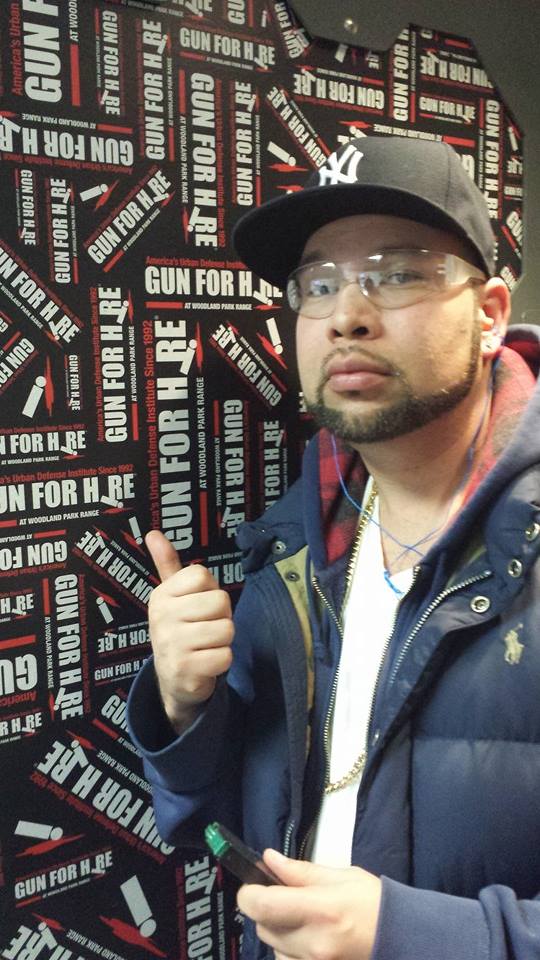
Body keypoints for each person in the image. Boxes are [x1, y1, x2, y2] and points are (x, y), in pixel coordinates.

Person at [127, 136, 540, 960]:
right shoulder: (296, 543)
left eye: (400, 272)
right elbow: (211, 824)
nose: (348, 314)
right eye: (319, 284)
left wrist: (410, 936)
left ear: (490, 314)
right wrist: (183, 707)